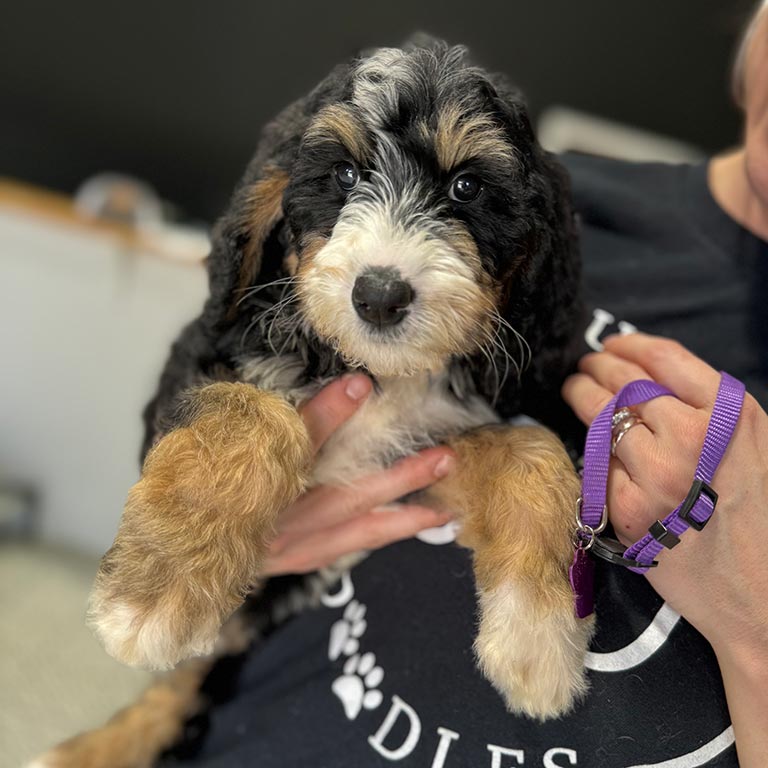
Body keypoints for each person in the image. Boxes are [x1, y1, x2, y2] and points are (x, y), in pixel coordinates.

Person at [161, 4, 768, 766]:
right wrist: (232, 523)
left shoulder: (528, 220)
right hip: (246, 715)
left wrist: (758, 627)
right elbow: (203, 388)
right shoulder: (564, 192)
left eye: (464, 194)